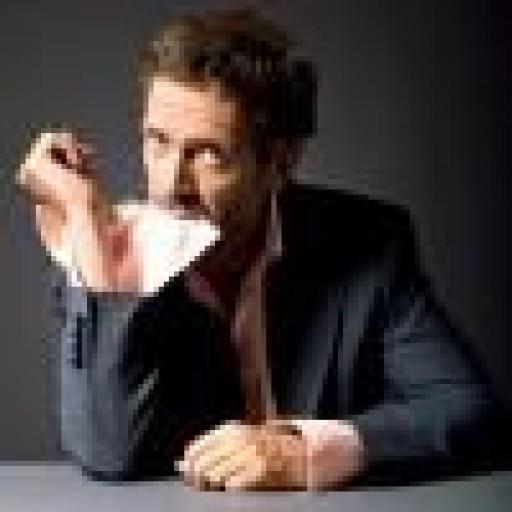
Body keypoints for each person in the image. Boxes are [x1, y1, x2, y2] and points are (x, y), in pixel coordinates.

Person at [16, 9, 507, 490]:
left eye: (208, 154)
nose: (169, 184)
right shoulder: (111, 259)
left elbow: (469, 411)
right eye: (157, 142)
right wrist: (85, 224)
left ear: (280, 160)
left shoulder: (369, 240)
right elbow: (108, 453)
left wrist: (307, 452)